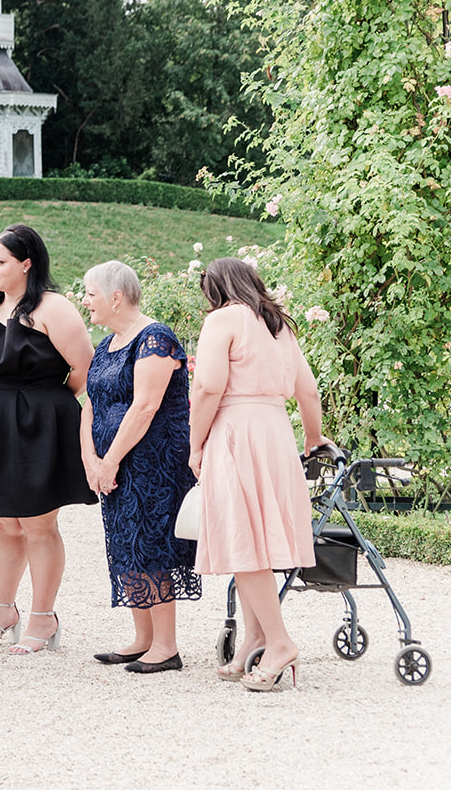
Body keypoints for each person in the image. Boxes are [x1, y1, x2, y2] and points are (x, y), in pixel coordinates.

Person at [0, 224, 95, 656]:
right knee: (3, 524)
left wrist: (44, 407)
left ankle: (43, 617)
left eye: (0, 261)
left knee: (38, 524)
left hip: (36, 423)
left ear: (26, 264)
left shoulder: (53, 307)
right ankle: (2, 612)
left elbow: (84, 367)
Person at [190, 257, 332, 692]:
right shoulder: (278, 325)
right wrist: (314, 439)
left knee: (242, 538)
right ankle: (255, 637)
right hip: (274, 432)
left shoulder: (222, 320)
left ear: (215, 288)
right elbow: (307, 389)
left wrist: (194, 444)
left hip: (236, 430)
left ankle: (281, 641)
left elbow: (209, 386)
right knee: (255, 539)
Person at [80, 260, 199, 674]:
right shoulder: (106, 344)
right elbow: (91, 404)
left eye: (90, 292)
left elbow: (145, 405)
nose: (84, 300)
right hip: (112, 464)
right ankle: (142, 637)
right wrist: (91, 460)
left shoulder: (155, 339)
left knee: (151, 541)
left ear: (116, 296)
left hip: (152, 461)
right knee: (125, 540)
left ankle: (166, 646)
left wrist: (110, 459)